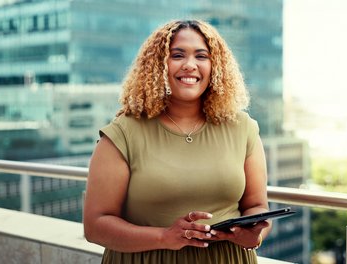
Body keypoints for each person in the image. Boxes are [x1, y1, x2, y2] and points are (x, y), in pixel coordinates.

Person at [83, 19, 271, 264]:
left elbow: (257, 206)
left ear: (216, 66)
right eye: (177, 55)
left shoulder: (242, 128)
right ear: (157, 65)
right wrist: (164, 237)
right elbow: (96, 226)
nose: (190, 65)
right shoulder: (123, 133)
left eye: (201, 56)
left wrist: (256, 235)